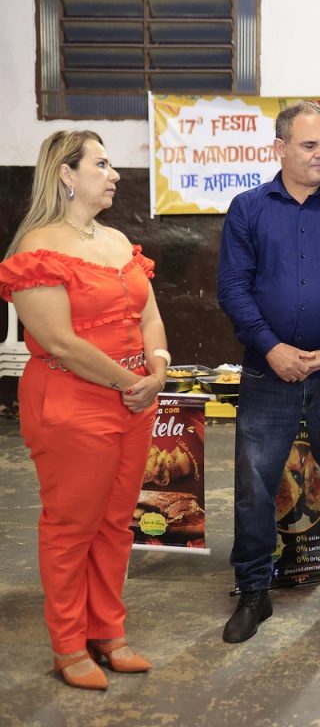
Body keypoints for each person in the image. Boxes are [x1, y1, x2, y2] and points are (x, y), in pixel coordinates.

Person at [0, 131, 169, 690]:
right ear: (67, 175)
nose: (114, 172)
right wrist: (133, 382)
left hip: (133, 400)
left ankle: (108, 632)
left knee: (116, 523)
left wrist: (158, 368)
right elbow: (62, 343)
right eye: (101, 163)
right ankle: (69, 645)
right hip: (73, 400)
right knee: (71, 526)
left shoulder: (119, 240)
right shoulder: (36, 249)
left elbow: (148, 316)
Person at [217, 101, 320, 643]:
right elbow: (234, 289)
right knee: (254, 486)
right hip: (267, 373)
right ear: (280, 149)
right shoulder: (247, 209)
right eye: (310, 145)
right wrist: (271, 348)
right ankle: (253, 593)